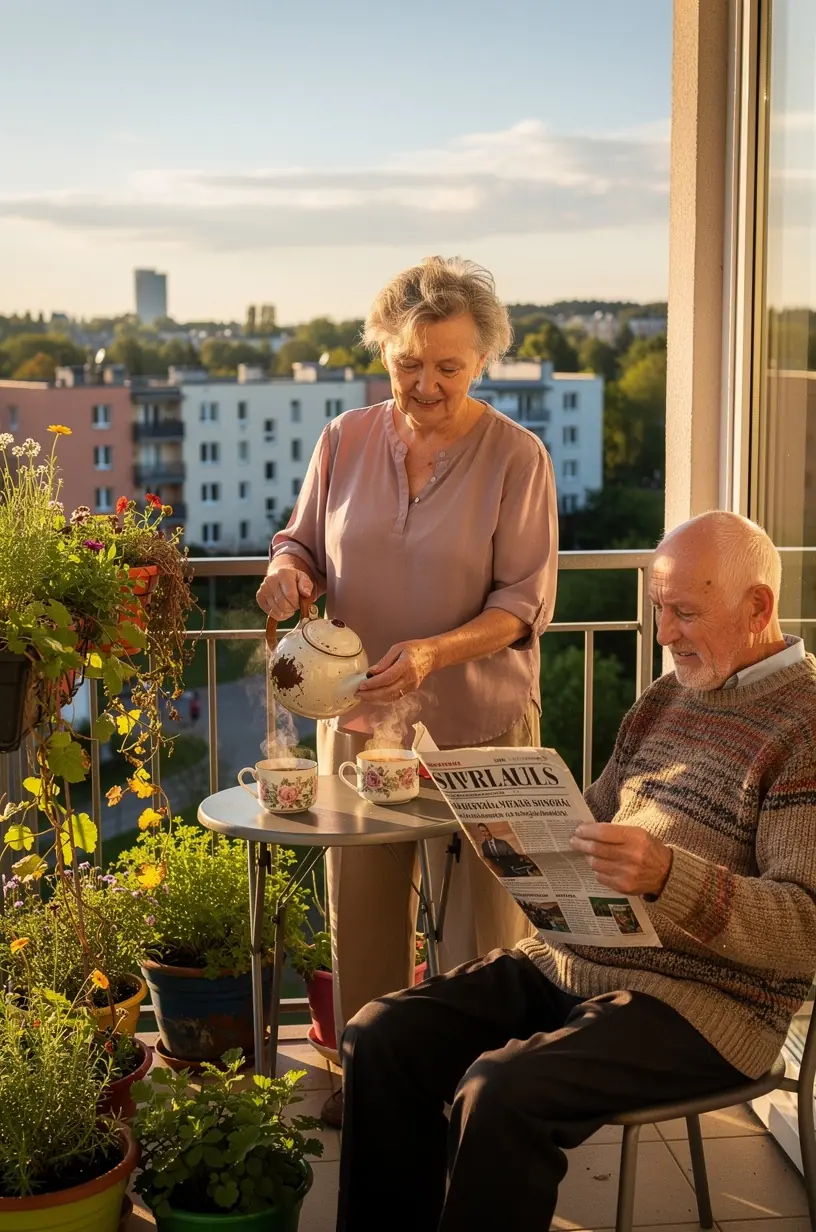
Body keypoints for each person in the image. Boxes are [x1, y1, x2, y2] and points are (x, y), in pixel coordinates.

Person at [337, 511, 816, 1231]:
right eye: (659, 610)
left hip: (706, 1003)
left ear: (758, 608)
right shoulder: (665, 698)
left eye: (685, 613)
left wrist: (667, 876)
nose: (664, 635)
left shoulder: (804, 728)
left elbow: (804, 931)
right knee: (379, 1035)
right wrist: (523, 835)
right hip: (578, 959)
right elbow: (594, 813)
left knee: (499, 1092)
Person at [256, 256, 558, 1124]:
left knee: (484, 926)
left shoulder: (517, 457)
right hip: (360, 719)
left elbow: (523, 603)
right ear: (384, 354)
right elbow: (301, 541)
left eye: (448, 368)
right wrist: (286, 572)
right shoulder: (344, 439)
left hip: (481, 720)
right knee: (364, 914)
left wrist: (432, 654)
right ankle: (371, 1084)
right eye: (407, 365)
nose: (425, 385)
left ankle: (477, 1096)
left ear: (483, 362)